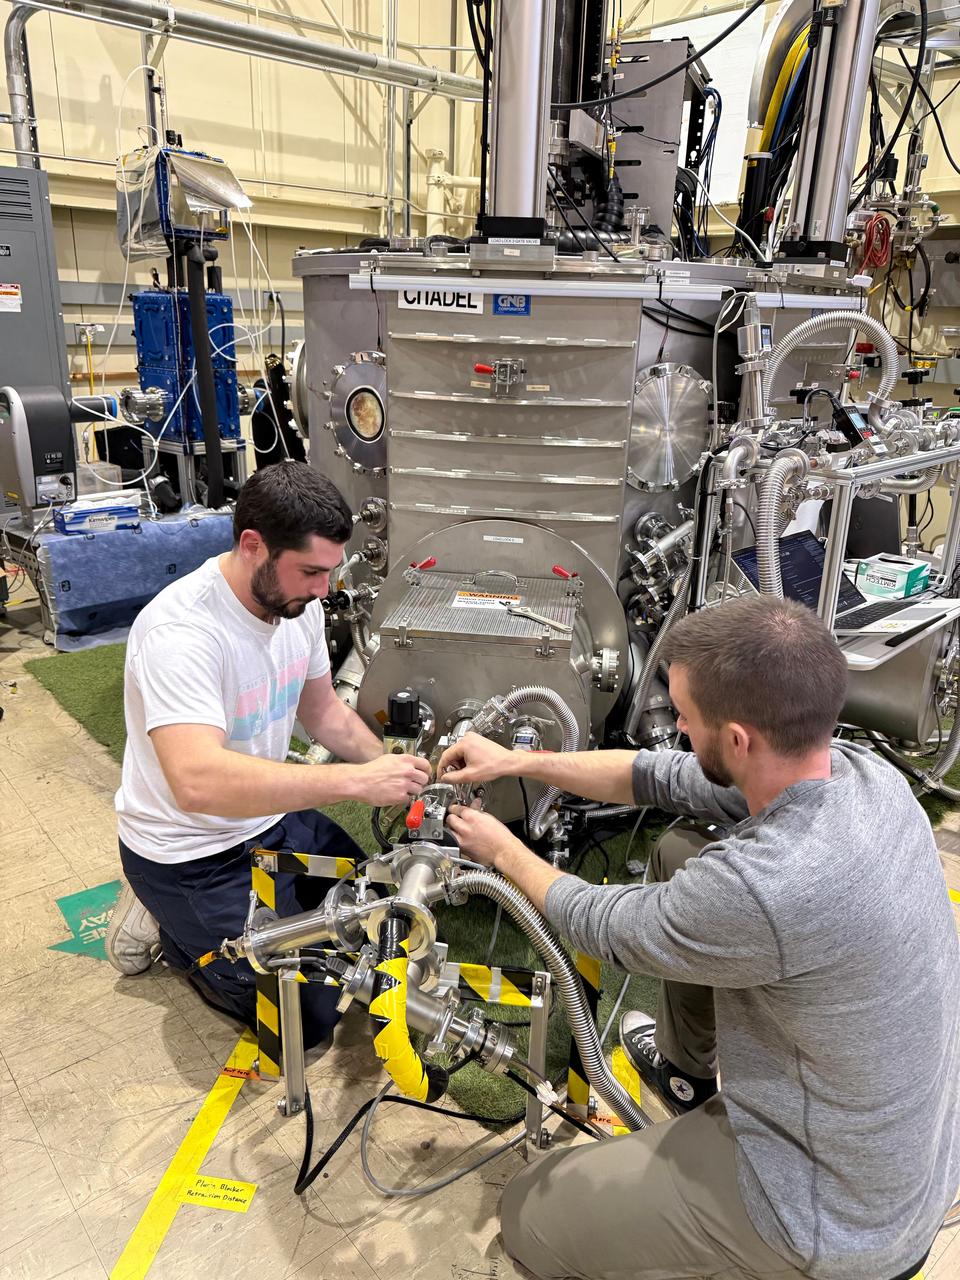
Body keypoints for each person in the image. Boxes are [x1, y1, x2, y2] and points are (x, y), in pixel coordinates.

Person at [438, 596, 959, 1280]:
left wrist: (501, 850)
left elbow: (604, 924)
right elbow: (661, 776)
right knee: (682, 850)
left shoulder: (767, 885)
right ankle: (686, 1076)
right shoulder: (866, 776)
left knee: (530, 1211)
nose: (675, 725)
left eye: (684, 714)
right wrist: (517, 764)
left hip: (830, 1216)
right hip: (902, 1153)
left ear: (739, 739)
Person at [105, 461, 430, 1047]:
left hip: (271, 824)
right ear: (253, 545)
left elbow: (324, 713)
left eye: (329, 572)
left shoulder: (294, 608)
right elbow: (197, 783)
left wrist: (397, 765)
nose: (322, 590)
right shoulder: (180, 633)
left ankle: (212, 926)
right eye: (311, 571)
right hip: (191, 856)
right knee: (308, 1019)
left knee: (387, 918)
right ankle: (170, 929)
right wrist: (356, 785)